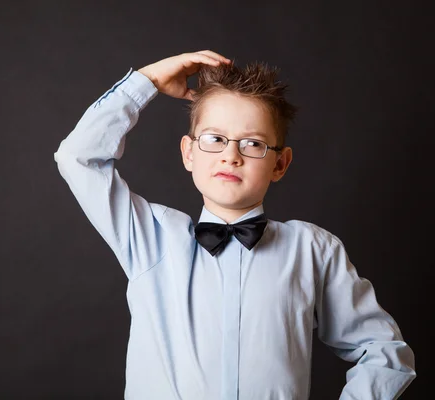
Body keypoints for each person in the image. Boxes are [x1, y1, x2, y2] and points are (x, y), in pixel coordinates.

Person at [53, 50, 416, 400]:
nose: (231, 155)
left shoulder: (312, 250)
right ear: (188, 153)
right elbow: (78, 157)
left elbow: (383, 351)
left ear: (280, 164)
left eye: (253, 143)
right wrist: (147, 81)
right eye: (214, 138)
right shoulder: (150, 237)